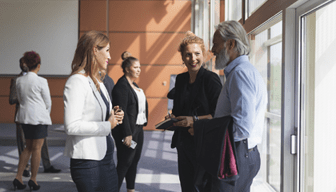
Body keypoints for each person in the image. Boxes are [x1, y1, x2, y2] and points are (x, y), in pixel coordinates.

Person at [210, 20, 267, 192]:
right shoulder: (242, 71)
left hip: (236, 155)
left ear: (231, 44)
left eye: (215, 44)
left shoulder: (240, 74)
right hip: (240, 153)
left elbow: (241, 128)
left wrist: (208, 130)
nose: (212, 50)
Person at [63, 30, 124, 192]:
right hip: (88, 164)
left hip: (106, 159)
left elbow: (100, 115)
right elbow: (71, 126)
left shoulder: (98, 81)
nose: (110, 56)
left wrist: (114, 116)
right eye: (107, 50)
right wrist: (107, 125)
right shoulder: (76, 81)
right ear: (94, 50)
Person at [167, 31, 222, 192]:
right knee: (187, 186)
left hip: (203, 144)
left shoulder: (211, 79)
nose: (193, 59)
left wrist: (194, 120)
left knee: (202, 187)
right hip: (183, 144)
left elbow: (219, 115)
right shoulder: (181, 80)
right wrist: (172, 119)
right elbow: (178, 110)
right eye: (188, 55)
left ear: (204, 54)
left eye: (197, 54)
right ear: (183, 57)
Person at [9, 58, 61, 179]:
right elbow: (11, 99)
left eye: (25, 62)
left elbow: (45, 100)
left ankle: (46, 166)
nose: (23, 64)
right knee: (25, 145)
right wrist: (27, 97)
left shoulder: (39, 80)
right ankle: (26, 171)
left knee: (41, 144)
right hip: (23, 118)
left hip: (37, 117)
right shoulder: (16, 80)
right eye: (21, 63)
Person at [13, 51, 52, 191]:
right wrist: (45, 116)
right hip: (38, 118)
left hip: (24, 117)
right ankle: (33, 180)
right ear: (38, 66)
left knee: (27, 148)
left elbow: (20, 99)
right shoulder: (42, 81)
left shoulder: (19, 80)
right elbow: (48, 103)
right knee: (37, 148)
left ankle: (18, 177)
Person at [112, 51, 148, 192]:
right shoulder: (122, 86)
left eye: (139, 67)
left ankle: (130, 189)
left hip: (138, 129)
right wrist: (127, 134)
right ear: (127, 69)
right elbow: (122, 111)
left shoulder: (135, 86)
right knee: (125, 161)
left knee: (133, 161)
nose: (139, 70)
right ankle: (113, 189)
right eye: (135, 67)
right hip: (127, 131)